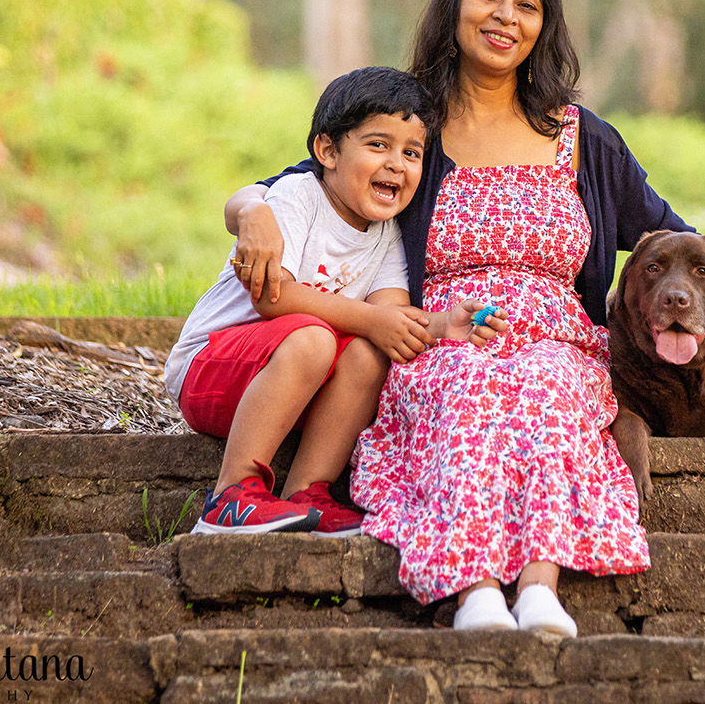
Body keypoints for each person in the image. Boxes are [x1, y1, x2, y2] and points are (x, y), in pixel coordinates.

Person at [227, 0, 705, 635]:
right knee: (469, 391)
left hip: (561, 343)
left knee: (553, 394)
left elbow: (675, 235)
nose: (506, 17)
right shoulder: (415, 124)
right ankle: (473, 593)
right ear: (456, 5)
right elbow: (315, 178)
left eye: (527, 5)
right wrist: (252, 210)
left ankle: (538, 588)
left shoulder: (581, 136)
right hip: (442, 336)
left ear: (544, 25)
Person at [164, 66, 508, 539]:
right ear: (327, 150)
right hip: (210, 374)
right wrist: (371, 319)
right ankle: (231, 495)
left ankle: (308, 492)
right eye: (378, 145)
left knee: (368, 352)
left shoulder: (387, 235)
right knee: (314, 338)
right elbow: (271, 297)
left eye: (412, 152)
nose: (396, 164)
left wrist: (442, 325)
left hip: (295, 390)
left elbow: (388, 320)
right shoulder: (296, 197)